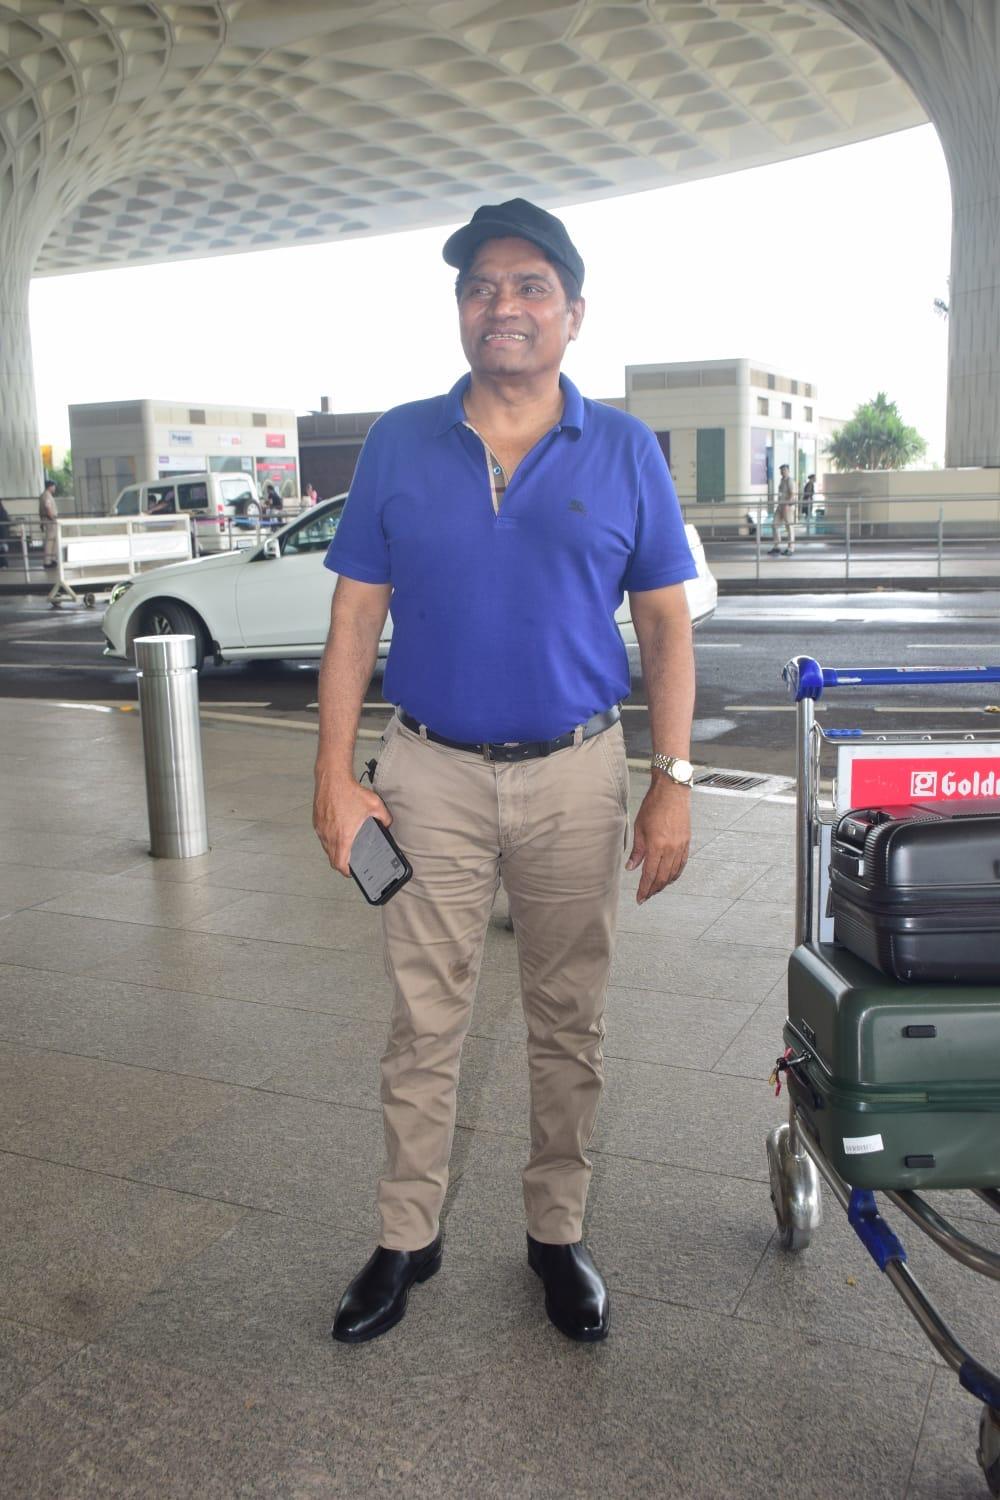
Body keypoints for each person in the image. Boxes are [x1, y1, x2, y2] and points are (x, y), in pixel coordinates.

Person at [313, 198, 697, 1347]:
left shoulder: (624, 449)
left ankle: (555, 1232)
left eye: (530, 287)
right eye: (483, 286)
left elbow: (669, 630)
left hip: (577, 777)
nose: (505, 306)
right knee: (423, 1021)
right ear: (461, 312)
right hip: (426, 772)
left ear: (572, 315)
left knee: (567, 1017)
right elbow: (350, 622)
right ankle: (403, 1235)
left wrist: (671, 779)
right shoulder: (397, 440)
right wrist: (334, 777)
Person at [769, 463, 795, 555]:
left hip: (786, 507)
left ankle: (791, 548)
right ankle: (777, 546)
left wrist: (787, 504)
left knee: (789, 527)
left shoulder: (789, 480)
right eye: (781, 470)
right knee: (774, 524)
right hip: (780, 506)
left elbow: (792, 494)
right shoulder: (782, 480)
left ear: (788, 471)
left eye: (784, 470)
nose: (782, 472)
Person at [39, 480, 58, 568]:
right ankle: (47, 561)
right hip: (50, 520)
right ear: (50, 486)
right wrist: (52, 518)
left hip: (50, 520)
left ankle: (52, 559)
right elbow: (48, 508)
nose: (55, 488)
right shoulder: (47, 496)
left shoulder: (46, 495)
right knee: (50, 541)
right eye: (54, 486)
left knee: (53, 540)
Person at [0, 497, 9, 568]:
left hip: (2, 532)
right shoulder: (3, 510)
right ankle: (4, 564)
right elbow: (7, 520)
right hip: (3, 533)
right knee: (3, 549)